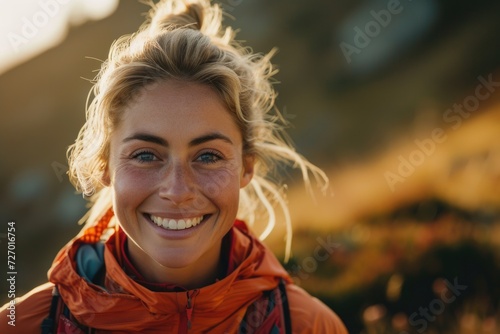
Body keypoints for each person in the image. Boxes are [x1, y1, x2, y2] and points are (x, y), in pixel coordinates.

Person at [0, 0, 348, 332]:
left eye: (208, 156)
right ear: (105, 166)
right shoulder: (20, 326)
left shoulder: (309, 326)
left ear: (246, 167)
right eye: (146, 155)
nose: (178, 191)